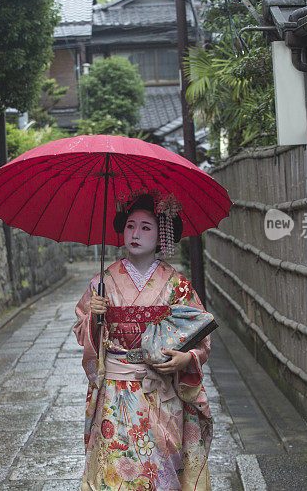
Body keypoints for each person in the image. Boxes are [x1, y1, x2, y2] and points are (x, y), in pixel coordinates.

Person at [74, 190, 213, 490]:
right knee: (116, 473)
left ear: (161, 234)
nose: (135, 234)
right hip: (115, 393)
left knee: (161, 472)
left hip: (161, 392)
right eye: (130, 226)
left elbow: (200, 337)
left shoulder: (177, 284)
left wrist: (186, 359)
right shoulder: (103, 281)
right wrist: (95, 318)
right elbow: (81, 332)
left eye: (145, 227)